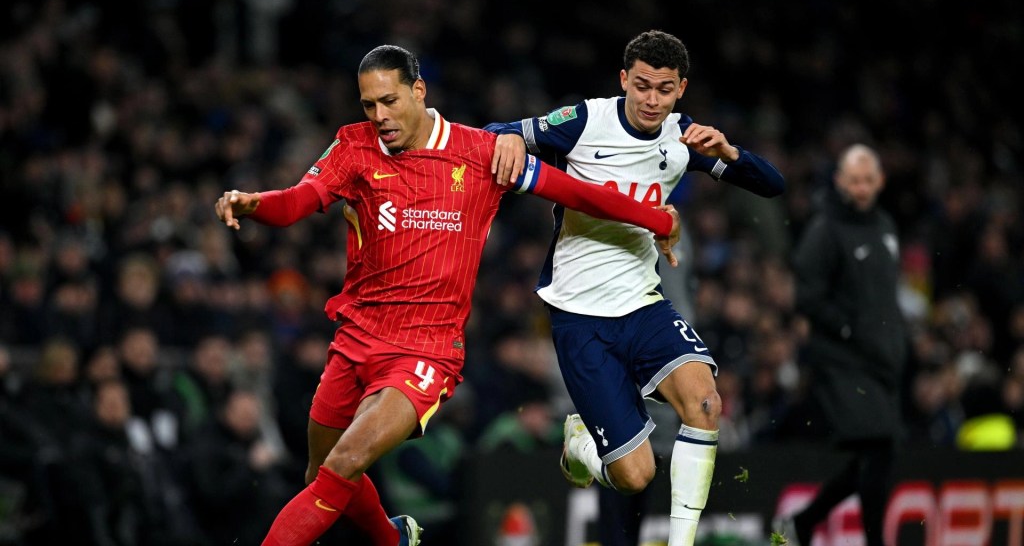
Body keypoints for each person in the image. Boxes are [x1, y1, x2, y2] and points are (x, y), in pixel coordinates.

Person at [214, 43, 684, 546]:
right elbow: (296, 204)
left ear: (419, 91)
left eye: (390, 101)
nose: (380, 116)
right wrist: (255, 203)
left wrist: (658, 219)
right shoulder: (354, 147)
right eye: (368, 104)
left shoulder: (480, 153)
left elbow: (572, 191)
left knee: (346, 461)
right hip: (356, 338)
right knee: (321, 475)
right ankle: (393, 540)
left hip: (426, 349)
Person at [485, 29, 785, 546]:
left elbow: (773, 185)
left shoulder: (683, 136)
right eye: (641, 85)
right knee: (635, 476)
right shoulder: (585, 120)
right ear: (623, 79)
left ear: (680, 89)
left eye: (663, 89)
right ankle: (581, 446)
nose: (651, 99)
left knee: (706, 404)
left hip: (643, 303)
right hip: (579, 315)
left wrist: (731, 153)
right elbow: (495, 131)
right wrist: (510, 134)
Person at [782, 143, 908, 546]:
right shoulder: (825, 229)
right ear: (839, 181)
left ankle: (805, 520)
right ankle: (871, 540)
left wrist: (895, 343)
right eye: (854, 180)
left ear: (881, 181)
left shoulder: (887, 226)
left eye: (868, 179)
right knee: (877, 446)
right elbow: (806, 295)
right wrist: (848, 329)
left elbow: (885, 297)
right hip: (842, 359)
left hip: (880, 359)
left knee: (878, 454)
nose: (861, 188)